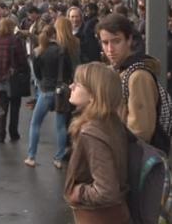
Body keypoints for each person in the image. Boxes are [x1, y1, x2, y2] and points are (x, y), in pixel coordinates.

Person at [64, 63, 130, 224]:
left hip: (98, 217)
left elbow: (106, 191)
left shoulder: (91, 131)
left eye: (78, 84)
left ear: (94, 95)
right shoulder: (110, 122)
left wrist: (77, 192)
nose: (71, 86)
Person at [96, 14, 159, 145]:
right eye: (105, 42)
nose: (110, 49)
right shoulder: (120, 70)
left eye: (116, 41)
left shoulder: (138, 76)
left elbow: (141, 131)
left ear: (129, 40)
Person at [25, 24, 72, 169]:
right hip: (61, 92)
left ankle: (31, 157)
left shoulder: (39, 52)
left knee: (35, 123)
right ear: (55, 35)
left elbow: (37, 74)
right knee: (60, 127)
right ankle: (58, 158)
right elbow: (69, 70)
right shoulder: (62, 50)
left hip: (45, 91)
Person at [0, 18, 28, 143]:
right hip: (13, 78)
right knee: (15, 107)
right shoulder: (15, 40)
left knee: (2, 106)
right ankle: (13, 133)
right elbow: (22, 60)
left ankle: (1, 134)